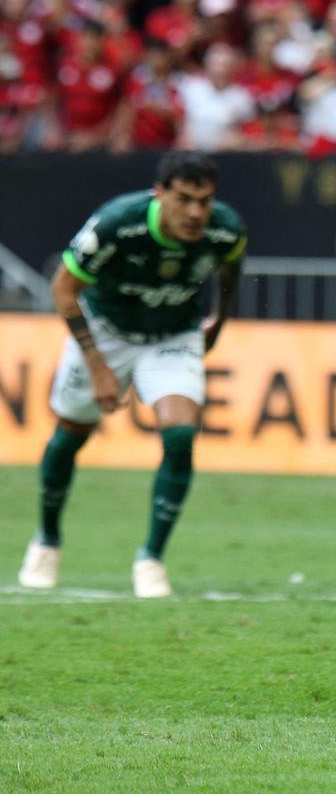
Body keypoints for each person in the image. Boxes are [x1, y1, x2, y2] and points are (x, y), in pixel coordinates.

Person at [18, 151, 246, 598]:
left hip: (172, 334)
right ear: (159, 194)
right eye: (184, 199)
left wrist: (218, 321)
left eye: (204, 200)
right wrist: (99, 366)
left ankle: (151, 560)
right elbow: (63, 287)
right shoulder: (117, 224)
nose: (196, 212)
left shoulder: (226, 228)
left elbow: (232, 267)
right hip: (105, 331)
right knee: (71, 432)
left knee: (180, 434)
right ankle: (46, 540)